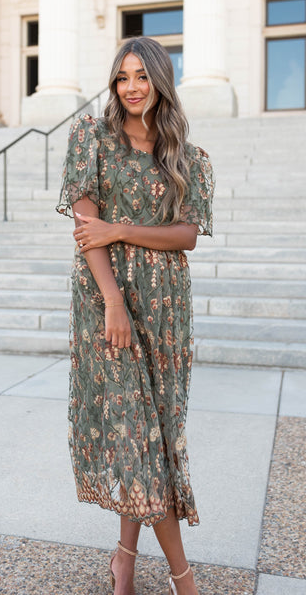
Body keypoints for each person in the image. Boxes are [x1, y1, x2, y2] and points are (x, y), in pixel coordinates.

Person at [56, 36, 214, 595]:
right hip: (107, 304)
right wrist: (114, 301)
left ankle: (124, 558)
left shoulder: (186, 157)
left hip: (168, 308)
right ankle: (183, 579)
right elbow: (84, 228)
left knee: (154, 436)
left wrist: (120, 228)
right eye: (122, 77)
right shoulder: (89, 139)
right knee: (138, 438)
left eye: (142, 77)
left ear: (159, 81)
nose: (131, 88)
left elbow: (188, 235)